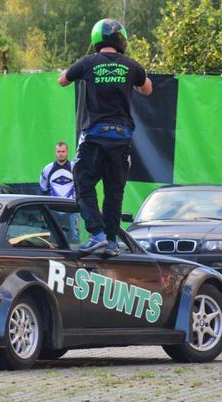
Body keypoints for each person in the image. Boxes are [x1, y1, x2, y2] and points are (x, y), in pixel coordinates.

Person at [58, 18, 153, 256]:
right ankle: (111, 242)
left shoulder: (88, 62)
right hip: (121, 139)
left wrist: (70, 72)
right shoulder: (131, 65)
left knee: (83, 183)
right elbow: (148, 88)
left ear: (96, 39)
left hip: (94, 137)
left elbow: (62, 81)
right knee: (114, 191)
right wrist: (132, 83)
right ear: (122, 40)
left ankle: (96, 234)